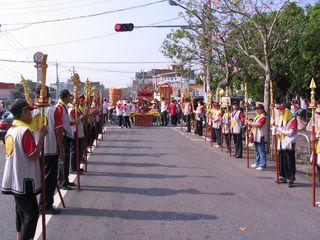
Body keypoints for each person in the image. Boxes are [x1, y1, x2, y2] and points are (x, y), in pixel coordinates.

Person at [2, 99, 48, 240]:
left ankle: (19, 237)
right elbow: (33, 155)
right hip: (24, 180)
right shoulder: (24, 131)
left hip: (16, 178)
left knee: (20, 212)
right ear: (23, 113)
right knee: (31, 214)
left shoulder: (11, 130)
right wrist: (41, 136)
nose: (31, 114)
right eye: (29, 111)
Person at [32, 86, 64, 214]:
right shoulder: (53, 110)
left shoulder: (30, 111)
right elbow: (58, 132)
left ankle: (42, 203)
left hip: (35, 149)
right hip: (50, 149)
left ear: (36, 96)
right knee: (49, 180)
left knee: (39, 178)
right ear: (49, 96)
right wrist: (62, 150)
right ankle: (45, 205)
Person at [56, 90, 78, 190]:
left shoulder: (64, 107)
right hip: (63, 136)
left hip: (67, 135)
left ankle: (66, 179)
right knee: (63, 160)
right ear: (65, 97)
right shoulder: (59, 107)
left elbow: (66, 122)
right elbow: (60, 125)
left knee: (67, 159)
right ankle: (62, 181)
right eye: (69, 97)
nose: (70, 99)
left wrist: (73, 123)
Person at [274, 105, 297, 187]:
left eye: (280, 111)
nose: (279, 112)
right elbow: (278, 128)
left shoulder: (292, 120)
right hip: (281, 142)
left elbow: (290, 133)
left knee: (289, 161)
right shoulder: (281, 118)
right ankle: (283, 176)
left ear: (285, 110)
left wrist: (280, 130)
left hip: (289, 143)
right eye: (279, 111)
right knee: (282, 160)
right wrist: (276, 131)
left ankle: (291, 178)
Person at [248, 104, 267, 170]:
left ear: (262, 109)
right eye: (256, 109)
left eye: (258, 109)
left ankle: (263, 165)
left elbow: (258, 125)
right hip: (255, 135)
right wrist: (250, 123)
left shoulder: (263, 117)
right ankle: (257, 162)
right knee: (257, 151)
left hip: (260, 136)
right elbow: (253, 124)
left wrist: (250, 123)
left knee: (261, 151)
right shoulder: (257, 117)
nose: (257, 110)